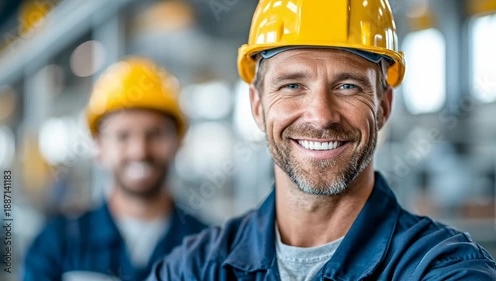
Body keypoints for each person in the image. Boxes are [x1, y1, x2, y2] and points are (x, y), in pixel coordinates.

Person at [147, 0, 496, 280]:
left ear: (383, 107)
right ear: (257, 106)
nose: (321, 116)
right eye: (292, 86)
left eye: (348, 86)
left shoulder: (442, 269)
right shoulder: (193, 267)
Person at [23, 57, 207, 281]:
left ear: (177, 142)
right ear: (99, 147)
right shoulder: (57, 244)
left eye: (154, 134)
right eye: (123, 136)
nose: (139, 151)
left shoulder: (208, 246)